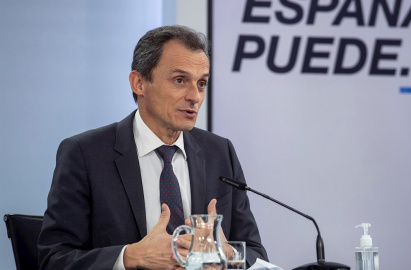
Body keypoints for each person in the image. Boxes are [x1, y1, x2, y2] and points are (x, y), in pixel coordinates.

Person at [38, 25, 268, 270]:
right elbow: (53, 260)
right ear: (139, 83)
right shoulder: (85, 154)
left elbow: (255, 254)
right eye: (180, 80)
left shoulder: (220, 153)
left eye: (201, 83)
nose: (195, 96)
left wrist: (227, 254)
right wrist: (129, 257)